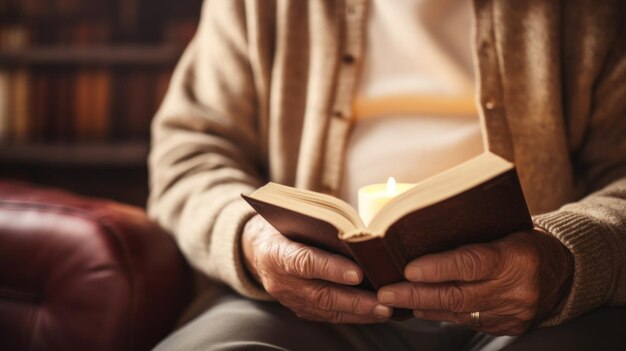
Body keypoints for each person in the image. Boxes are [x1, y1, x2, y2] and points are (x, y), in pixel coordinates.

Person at [148, 0, 626, 349]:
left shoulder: (589, 13)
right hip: (301, 309)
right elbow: (187, 155)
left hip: (541, 312)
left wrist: (564, 261)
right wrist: (252, 241)